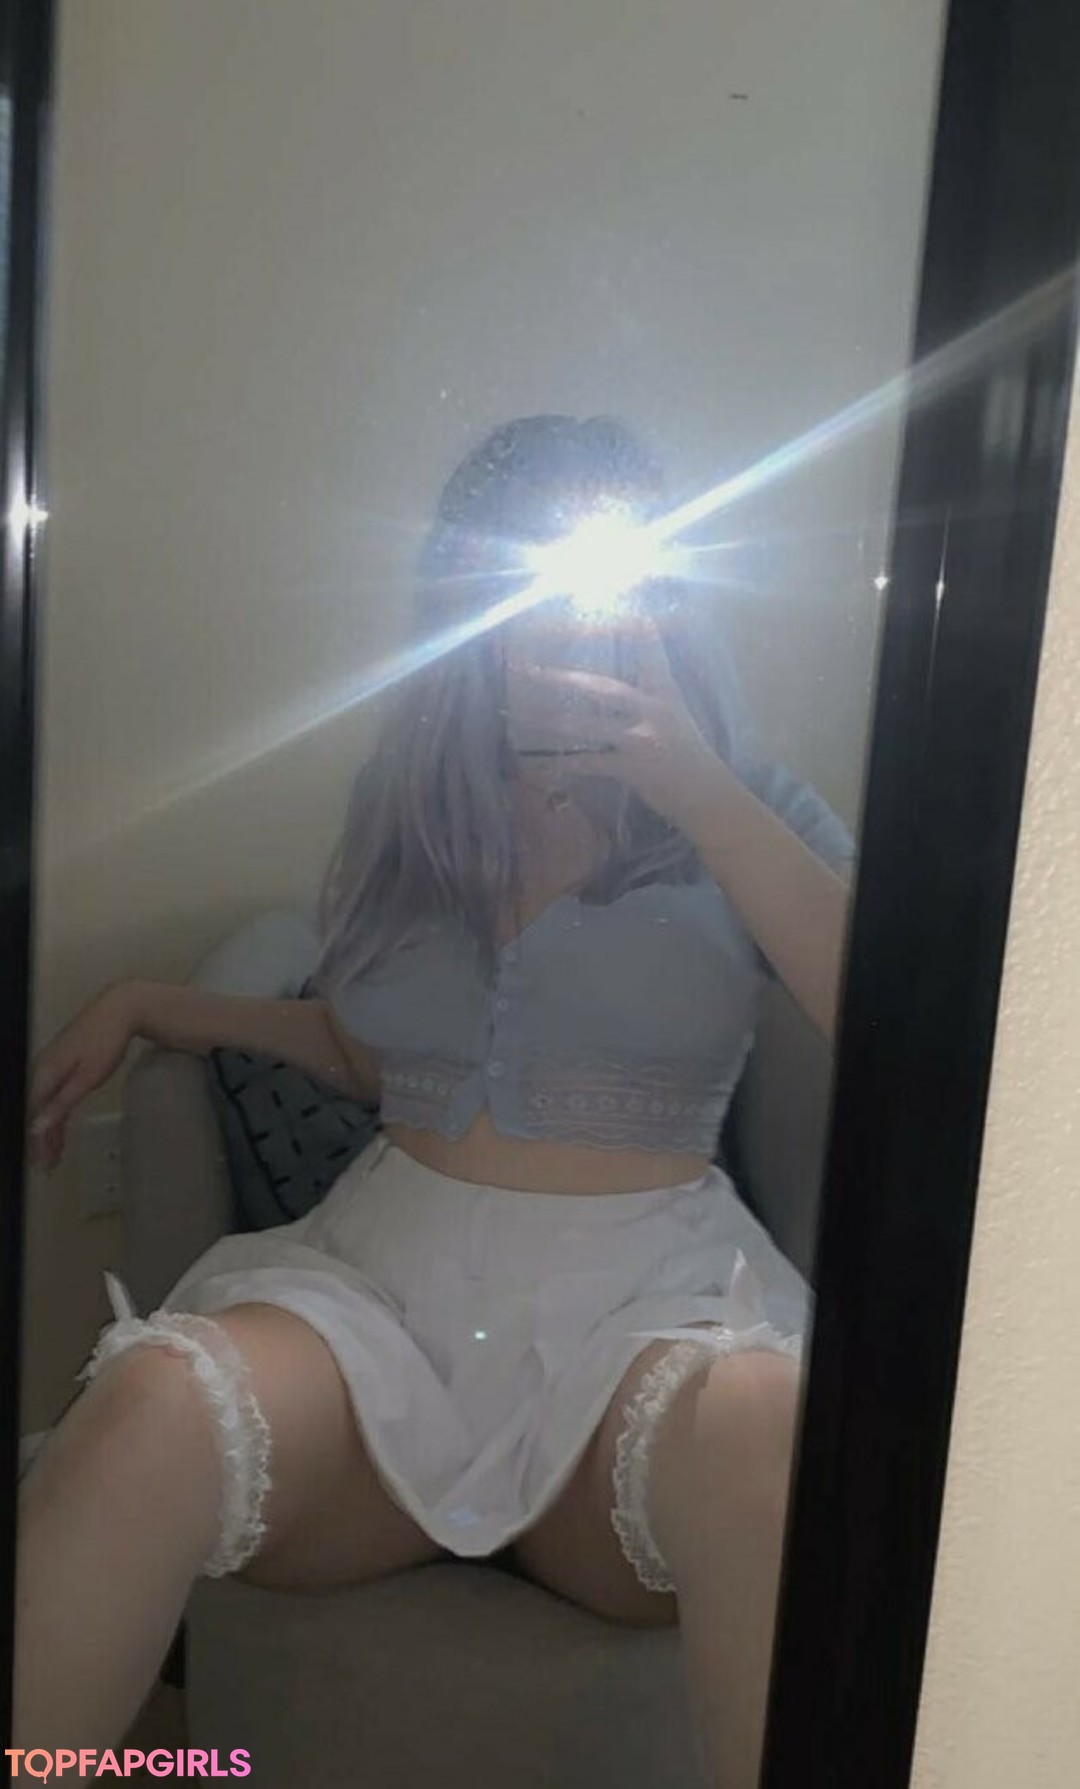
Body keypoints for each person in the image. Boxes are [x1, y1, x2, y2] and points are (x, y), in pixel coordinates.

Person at [19, 415, 853, 1788]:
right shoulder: (406, 807)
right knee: (152, 1401)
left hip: (643, 1318)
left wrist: (696, 789)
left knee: (763, 1421)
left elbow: (902, 1019)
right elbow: (379, 1056)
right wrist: (160, 1001)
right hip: (386, 1299)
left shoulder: (746, 802)